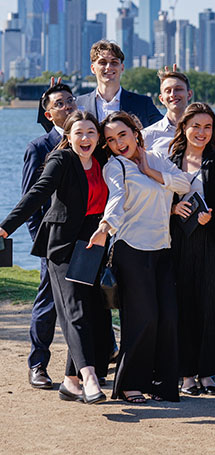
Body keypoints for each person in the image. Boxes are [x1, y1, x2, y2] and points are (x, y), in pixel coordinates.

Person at [1, 111, 112, 404]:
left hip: (92, 245)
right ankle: (88, 378)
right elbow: (37, 193)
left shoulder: (104, 162)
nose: (85, 138)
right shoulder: (60, 160)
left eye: (91, 132)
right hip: (61, 246)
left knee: (87, 310)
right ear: (68, 136)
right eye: (78, 133)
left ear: (99, 137)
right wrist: (5, 227)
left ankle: (70, 381)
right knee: (74, 308)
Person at [88, 111, 190, 403]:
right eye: (110, 140)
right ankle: (129, 384)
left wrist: (150, 171)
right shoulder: (115, 166)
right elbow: (116, 200)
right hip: (131, 249)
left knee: (167, 319)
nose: (119, 143)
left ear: (135, 131)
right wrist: (106, 227)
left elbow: (184, 184)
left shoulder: (155, 157)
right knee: (142, 319)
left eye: (123, 135)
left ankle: (160, 384)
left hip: (162, 249)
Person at [169, 103, 215, 396]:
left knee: (212, 306)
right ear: (184, 127)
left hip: (213, 242)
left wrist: (213, 216)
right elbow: (156, 199)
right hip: (178, 243)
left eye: (208, 127)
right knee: (182, 306)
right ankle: (186, 375)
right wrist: (173, 208)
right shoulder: (170, 161)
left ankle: (207, 373)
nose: (201, 132)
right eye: (196, 126)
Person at [22, 83, 77, 389]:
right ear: (49, 113)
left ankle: (89, 363)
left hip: (85, 238)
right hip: (51, 242)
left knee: (89, 300)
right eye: (60, 103)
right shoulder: (39, 148)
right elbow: (30, 200)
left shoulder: (87, 141)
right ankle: (38, 364)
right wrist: (40, 243)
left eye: (71, 101)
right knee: (48, 303)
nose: (68, 106)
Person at [71, 40, 162, 130]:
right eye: (103, 62)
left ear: (122, 68)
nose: (108, 67)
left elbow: (165, 129)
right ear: (93, 68)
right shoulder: (78, 104)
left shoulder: (143, 104)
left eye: (114, 62)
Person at [142, 68, 215, 155]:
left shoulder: (206, 132)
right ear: (161, 99)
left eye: (178, 89)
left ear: (189, 94)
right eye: (168, 91)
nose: (173, 94)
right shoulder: (147, 135)